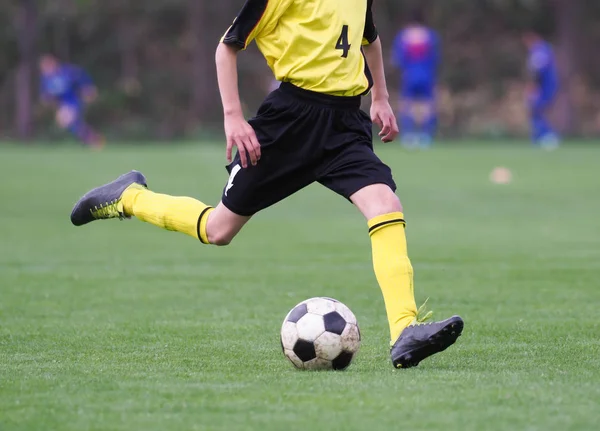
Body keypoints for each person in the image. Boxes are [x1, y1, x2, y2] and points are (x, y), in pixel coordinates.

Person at [69, 0, 463, 369]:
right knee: (218, 229)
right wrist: (233, 117)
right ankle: (129, 197)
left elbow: (369, 39)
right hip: (289, 123)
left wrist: (380, 96)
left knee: (385, 204)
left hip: (344, 125)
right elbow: (228, 47)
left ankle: (404, 331)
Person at [391, 9, 440, 149]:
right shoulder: (430, 35)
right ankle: (426, 136)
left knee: (407, 105)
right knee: (427, 106)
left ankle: (408, 136)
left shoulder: (404, 36)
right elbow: (435, 57)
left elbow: (398, 59)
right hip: (426, 75)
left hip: (409, 75)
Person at [39, 54, 104, 149]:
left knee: (68, 121)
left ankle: (93, 140)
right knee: (72, 124)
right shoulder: (46, 79)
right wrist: (47, 99)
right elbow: (47, 94)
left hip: (74, 101)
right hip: (63, 104)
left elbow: (82, 77)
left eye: (47, 65)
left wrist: (88, 89)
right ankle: (93, 139)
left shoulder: (67, 72)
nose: (46, 69)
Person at [522, 30, 560, 149]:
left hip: (544, 87)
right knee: (536, 112)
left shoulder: (540, 51)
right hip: (546, 86)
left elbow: (537, 72)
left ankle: (547, 136)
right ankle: (539, 137)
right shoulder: (544, 49)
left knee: (536, 111)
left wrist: (532, 87)